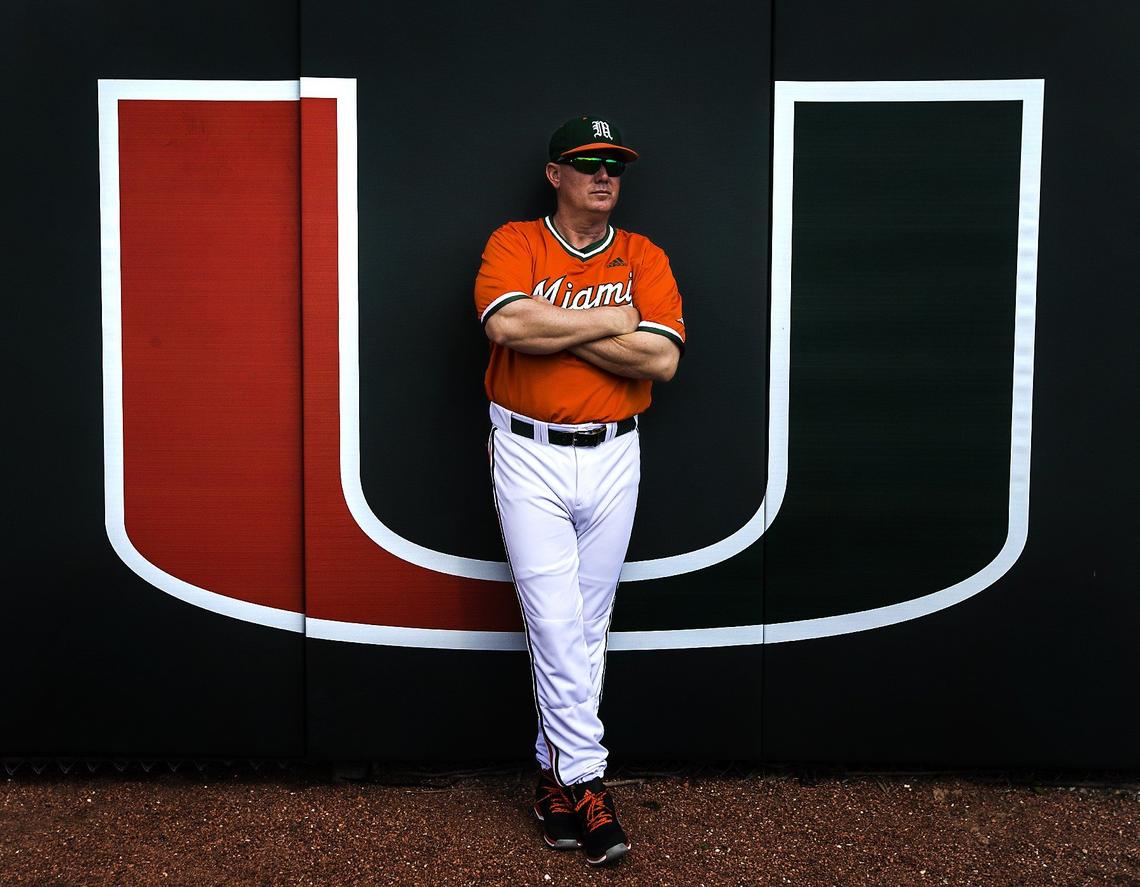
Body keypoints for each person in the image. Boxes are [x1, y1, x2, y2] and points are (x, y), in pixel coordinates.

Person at [473, 116, 685, 866]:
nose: (603, 175)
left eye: (614, 165)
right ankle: (588, 778)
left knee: (587, 626)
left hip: (613, 453)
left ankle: (551, 779)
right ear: (555, 173)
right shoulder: (515, 243)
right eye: (587, 162)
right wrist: (612, 320)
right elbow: (506, 325)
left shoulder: (642, 255)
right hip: (528, 452)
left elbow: (659, 361)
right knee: (556, 622)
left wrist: (561, 324)